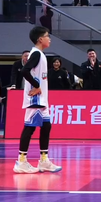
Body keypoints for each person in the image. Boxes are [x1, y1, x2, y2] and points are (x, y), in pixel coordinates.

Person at [13, 26, 62, 174]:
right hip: (35, 99)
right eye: (47, 36)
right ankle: (21, 161)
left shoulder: (40, 54)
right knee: (30, 128)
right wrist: (36, 85)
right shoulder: (35, 54)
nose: (49, 39)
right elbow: (24, 71)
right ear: (40, 39)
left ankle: (44, 160)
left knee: (46, 126)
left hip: (42, 99)